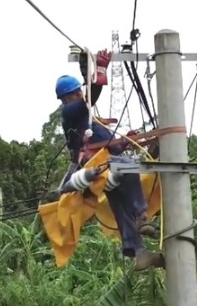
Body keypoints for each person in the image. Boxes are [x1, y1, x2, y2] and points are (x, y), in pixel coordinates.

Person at [55, 49, 164, 271]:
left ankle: (139, 252)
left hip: (101, 169)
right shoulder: (70, 113)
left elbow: (108, 145)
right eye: (77, 94)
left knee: (119, 202)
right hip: (94, 169)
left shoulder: (87, 122)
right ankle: (142, 215)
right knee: (128, 166)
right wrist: (99, 71)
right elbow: (89, 99)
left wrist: (126, 141)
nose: (80, 97)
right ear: (70, 97)